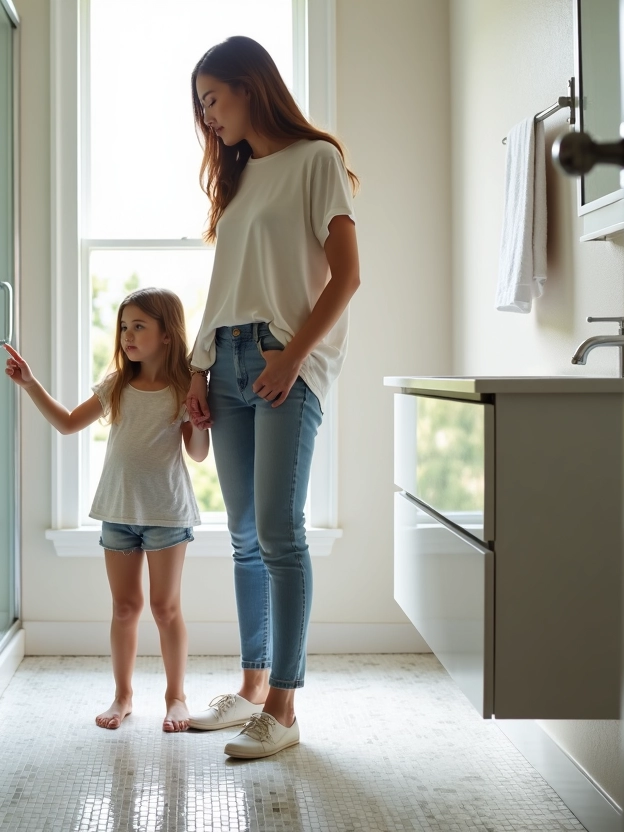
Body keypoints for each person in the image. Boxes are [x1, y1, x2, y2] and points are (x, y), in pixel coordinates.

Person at [183, 36, 361, 759]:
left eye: (212, 99)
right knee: (244, 537)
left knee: (281, 536)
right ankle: (253, 687)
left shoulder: (315, 161)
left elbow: (346, 277)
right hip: (225, 361)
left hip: (281, 357)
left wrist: (293, 357)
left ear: (250, 86)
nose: (208, 117)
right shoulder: (241, 177)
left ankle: (284, 708)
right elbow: (226, 287)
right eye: (201, 107)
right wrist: (197, 367)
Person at [3, 287, 210, 732]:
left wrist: (199, 421)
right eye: (123, 326)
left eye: (139, 326)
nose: (128, 335)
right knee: (124, 608)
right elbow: (66, 424)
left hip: (167, 515)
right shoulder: (117, 384)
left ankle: (176, 697)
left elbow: (197, 454)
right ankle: (123, 696)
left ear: (167, 335)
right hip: (118, 512)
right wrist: (30, 384)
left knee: (165, 609)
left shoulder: (182, 388)